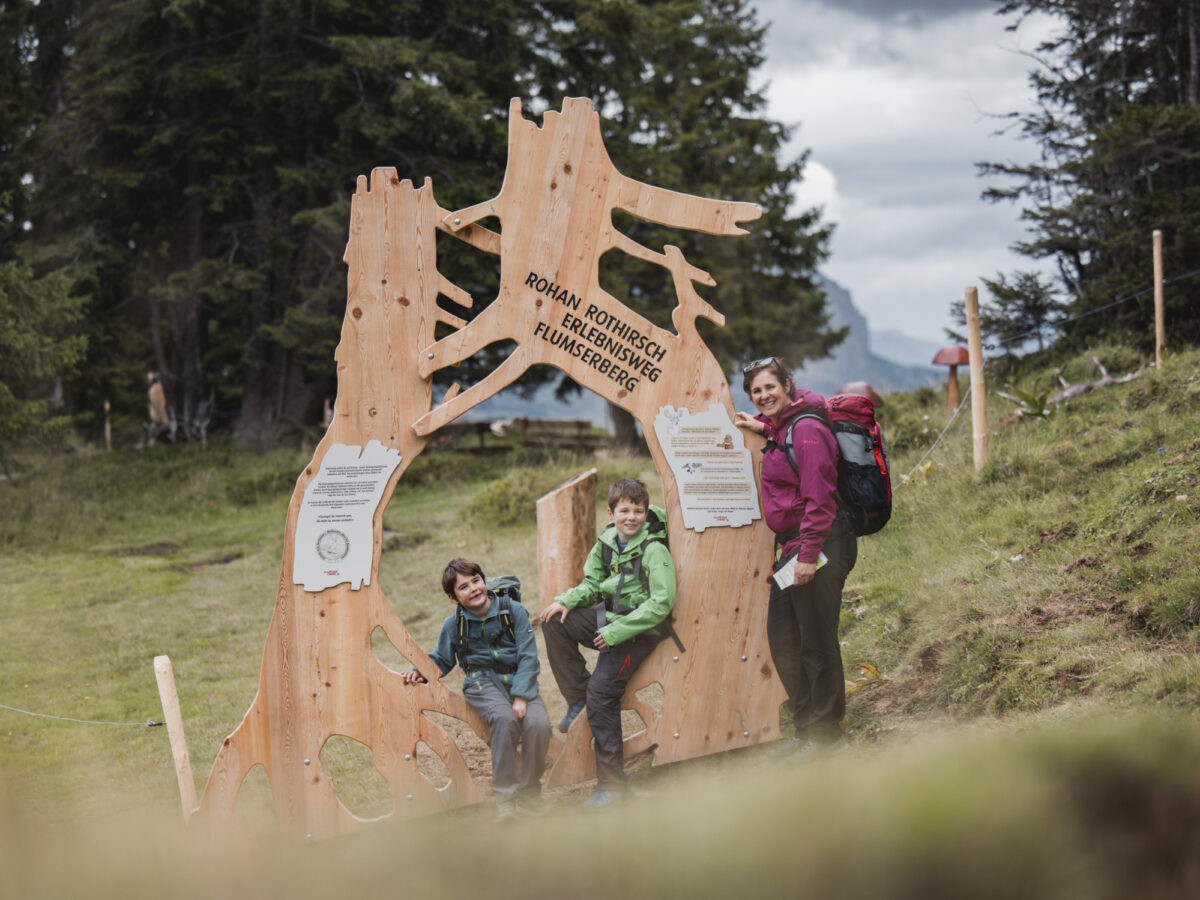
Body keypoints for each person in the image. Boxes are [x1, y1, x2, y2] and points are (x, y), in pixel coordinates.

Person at [734, 357, 857, 759]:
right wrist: (763, 427)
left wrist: (808, 555)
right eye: (756, 391)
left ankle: (827, 734)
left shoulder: (805, 429)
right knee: (785, 636)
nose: (764, 395)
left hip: (819, 545)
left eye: (770, 387)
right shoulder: (786, 426)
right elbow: (785, 446)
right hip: (795, 548)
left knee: (815, 640)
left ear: (788, 385)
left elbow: (819, 498)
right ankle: (806, 729)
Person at [538, 478, 677, 808]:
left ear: (646, 512)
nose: (632, 517)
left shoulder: (654, 550)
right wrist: (567, 601)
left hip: (639, 632)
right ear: (611, 512)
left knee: (602, 695)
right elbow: (592, 584)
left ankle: (613, 787)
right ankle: (577, 699)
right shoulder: (607, 541)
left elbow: (662, 603)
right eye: (624, 510)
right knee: (554, 621)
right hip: (610, 621)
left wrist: (617, 633)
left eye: (638, 510)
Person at [402, 558, 551, 817]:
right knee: (504, 720)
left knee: (539, 724)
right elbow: (441, 659)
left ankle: (530, 792)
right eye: (463, 587)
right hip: (480, 683)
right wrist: (419, 673)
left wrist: (521, 696)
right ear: (453, 597)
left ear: (484, 581)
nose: (473, 589)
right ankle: (506, 798)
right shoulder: (454, 625)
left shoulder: (513, 611)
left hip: (518, 679)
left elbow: (528, 656)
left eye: (476, 581)